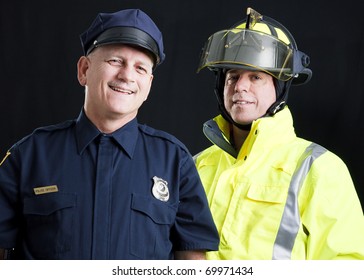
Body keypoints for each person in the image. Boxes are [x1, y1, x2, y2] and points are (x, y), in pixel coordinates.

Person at [0, 8, 219, 260]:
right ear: (84, 70)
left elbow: (192, 261)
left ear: (148, 84)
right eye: (115, 61)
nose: (126, 75)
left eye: (140, 68)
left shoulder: (175, 161)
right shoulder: (28, 156)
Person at [194, 7, 364, 259]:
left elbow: (348, 264)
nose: (240, 86)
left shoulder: (318, 168)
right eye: (232, 76)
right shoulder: (196, 166)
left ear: (280, 88)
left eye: (255, 77)